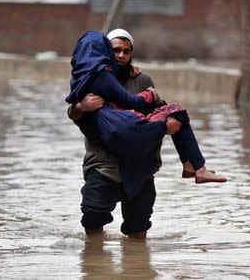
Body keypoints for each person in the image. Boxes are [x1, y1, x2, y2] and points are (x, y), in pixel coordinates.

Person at [67, 29, 226, 238]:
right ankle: (95, 265)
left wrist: (168, 127)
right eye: (116, 50)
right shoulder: (93, 75)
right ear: (106, 51)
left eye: (126, 51)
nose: (121, 55)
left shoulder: (142, 80)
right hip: (104, 166)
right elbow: (73, 112)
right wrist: (81, 106)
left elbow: (160, 111)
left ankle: (136, 269)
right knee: (93, 219)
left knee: (138, 229)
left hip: (141, 166)